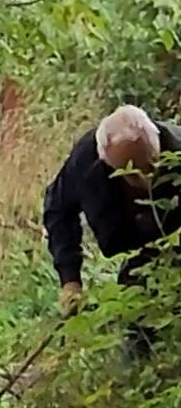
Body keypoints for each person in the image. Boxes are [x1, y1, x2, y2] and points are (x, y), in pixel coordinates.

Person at [43, 105, 181, 346]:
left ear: (157, 143)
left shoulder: (177, 148)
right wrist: (70, 280)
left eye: (151, 167)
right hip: (131, 244)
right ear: (107, 162)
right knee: (136, 316)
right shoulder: (86, 162)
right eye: (131, 173)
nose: (143, 181)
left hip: (174, 244)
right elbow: (58, 211)